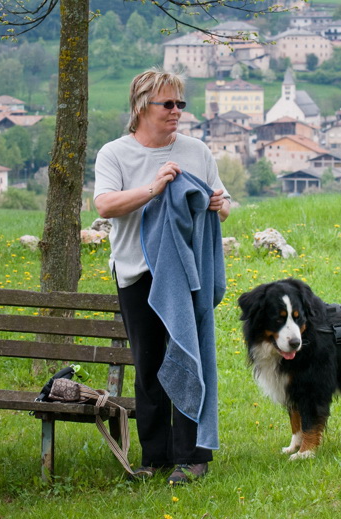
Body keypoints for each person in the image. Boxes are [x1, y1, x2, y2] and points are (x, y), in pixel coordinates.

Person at [94, 68, 230, 485]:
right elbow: (105, 206)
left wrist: (217, 205)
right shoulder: (115, 154)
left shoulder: (196, 151)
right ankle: (154, 456)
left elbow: (223, 205)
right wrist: (154, 189)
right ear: (141, 106)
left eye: (180, 104)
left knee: (190, 357)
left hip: (187, 274)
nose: (177, 112)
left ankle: (192, 455)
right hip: (137, 272)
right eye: (167, 104)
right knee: (149, 366)